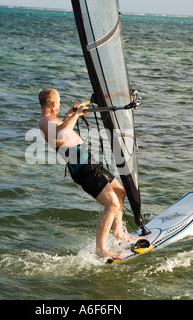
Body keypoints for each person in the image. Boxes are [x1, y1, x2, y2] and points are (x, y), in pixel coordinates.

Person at [38, 88, 136, 259]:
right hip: (82, 168)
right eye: (59, 102)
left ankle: (119, 234)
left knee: (120, 191)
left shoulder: (52, 120)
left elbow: (61, 127)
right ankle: (100, 249)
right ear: (54, 103)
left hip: (89, 163)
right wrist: (76, 115)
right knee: (112, 204)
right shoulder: (45, 122)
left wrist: (70, 114)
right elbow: (62, 132)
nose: (60, 105)